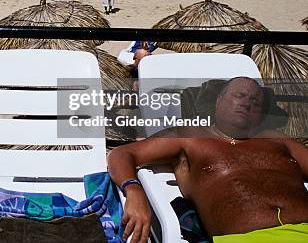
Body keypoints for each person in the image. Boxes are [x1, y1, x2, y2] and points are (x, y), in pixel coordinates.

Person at [108, 77, 308, 243]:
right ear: (219, 100)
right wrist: (134, 191)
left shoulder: (276, 139)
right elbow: (122, 154)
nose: (247, 103)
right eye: (239, 95)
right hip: (246, 238)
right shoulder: (191, 137)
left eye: (256, 101)